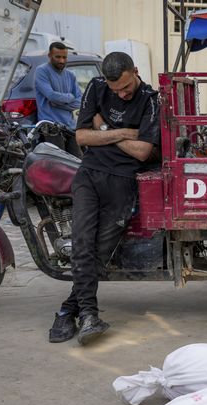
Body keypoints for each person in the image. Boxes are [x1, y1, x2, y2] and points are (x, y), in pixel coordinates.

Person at [49, 52, 160, 345]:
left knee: (100, 252)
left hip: (122, 182)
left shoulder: (150, 99)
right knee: (82, 244)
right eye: (116, 91)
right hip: (89, 175)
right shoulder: (97, 87)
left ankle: (68, 311)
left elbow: (143, 152)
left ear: (135, 71)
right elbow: (82, 138)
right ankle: (89, 315)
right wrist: (125, 132)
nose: (121, 94)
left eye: (126, 87)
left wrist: (104, 128)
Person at [35, 41, 82, 128]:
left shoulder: (70, 75)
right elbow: (51, 95)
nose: (61, 61)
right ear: (49, 55)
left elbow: (80, 101)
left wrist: (57, 103)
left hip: (70, 125)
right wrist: (70, 97)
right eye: (58, 57)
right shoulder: (42, 71)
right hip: (50, 126)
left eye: (64, 57)